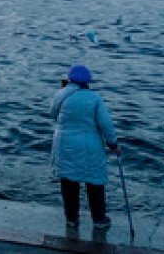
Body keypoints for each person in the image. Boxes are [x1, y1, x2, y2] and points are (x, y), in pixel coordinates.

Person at [50, 64, 118, 231]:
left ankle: (71, 218)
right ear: (88, 81)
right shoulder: (94, 98)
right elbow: (106, 125)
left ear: (69, 78)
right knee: (94, 182)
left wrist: (63, 90)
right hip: (90, 146)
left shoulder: (61, 95)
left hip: (64, 145)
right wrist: (113, 143)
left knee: (68, 182)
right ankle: (99, 219)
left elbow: (52, 114)